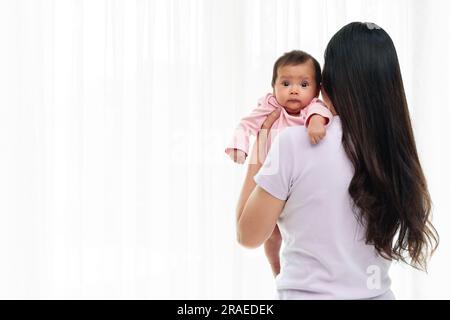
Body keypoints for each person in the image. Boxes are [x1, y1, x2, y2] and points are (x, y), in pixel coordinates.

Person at [235, 22, 439, 300]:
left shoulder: (294, 143)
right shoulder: (393, 150)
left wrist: (259, 147)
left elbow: (248, 235)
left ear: (329, 82)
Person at [225, 50, 333, 165]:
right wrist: (238, 147)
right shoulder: (270, 106)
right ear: (273, 88)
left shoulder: (313, 106)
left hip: (303, 169)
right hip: (272, 171)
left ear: (317, 91)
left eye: (304, 84)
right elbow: (246, 124)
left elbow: (320, 111)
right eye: (286, 84)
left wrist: (316, 122)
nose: (294, 91)